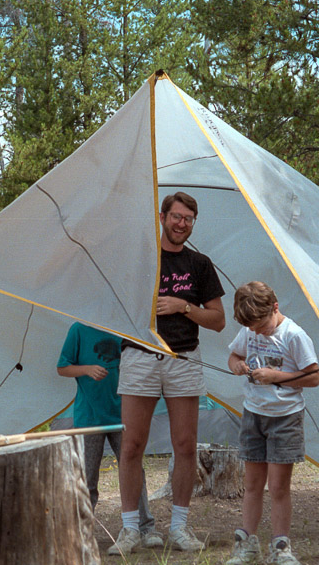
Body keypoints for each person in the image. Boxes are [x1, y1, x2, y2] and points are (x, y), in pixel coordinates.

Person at [109, 191, 225, 556]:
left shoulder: (200, 264)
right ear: (162, 217)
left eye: (188, 219)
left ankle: (179, 527)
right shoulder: (140, 260)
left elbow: (219, 320)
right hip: (140, 357)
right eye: (176, 217)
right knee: (131, 445)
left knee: (185, 445)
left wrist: (183, 306)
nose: (181, 224)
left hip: (183, 358)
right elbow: (112, 304)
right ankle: (131, 530)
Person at [224, 282, 319, 565]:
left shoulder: (294, 335)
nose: (256, 331)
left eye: (260, 325)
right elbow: (233, 356)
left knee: (278, 486)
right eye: (251, 328)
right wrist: (236, 366)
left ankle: (280, 547)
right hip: (253, 414)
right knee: (252, 484)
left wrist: (276, 377)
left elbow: (313, 377)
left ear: (275, 308)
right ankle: (247, 543)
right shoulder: (249, 329)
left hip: (285, 418)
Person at [56, 322, 162, 547]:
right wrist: (86, 369)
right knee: (87, 477)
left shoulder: (124, 328)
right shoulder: (78, 329)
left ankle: (145, 528)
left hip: (123, 415)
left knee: (135, 470)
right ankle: (81, 531)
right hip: (89, 418)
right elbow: (62, 367)